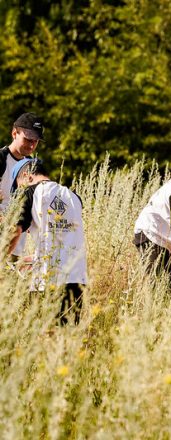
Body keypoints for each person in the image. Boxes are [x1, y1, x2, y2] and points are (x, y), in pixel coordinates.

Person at [9, 158, 87, 325]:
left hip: (48, 281)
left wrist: (3, 258)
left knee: (45, 339)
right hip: (77, 279)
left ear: (26, 176)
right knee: (68, 337)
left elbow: (15, 230)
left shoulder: (31, 192)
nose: (20, 191)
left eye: (19, 185)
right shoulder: (74, 197)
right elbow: (64, 236)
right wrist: (35, 256)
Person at [0, 112, 44, 258]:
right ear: (14, 133)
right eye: (27, 139)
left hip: (17, 250)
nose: (31, 145)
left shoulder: (33, 167)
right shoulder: (1, 159)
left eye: (35, 141)